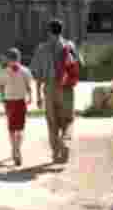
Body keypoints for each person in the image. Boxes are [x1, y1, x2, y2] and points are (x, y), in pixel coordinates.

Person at [30, 19, 84, 163]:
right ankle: (65, 142)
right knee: (68, 119)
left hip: (49, 88)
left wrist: (39, 96)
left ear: (49, 31)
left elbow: (37, 74)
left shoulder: (41, 49)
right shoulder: (69, 45)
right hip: (66, 88)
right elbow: (80, 64)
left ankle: (55, 152)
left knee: (51, 121)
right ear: (61, 30)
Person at [0, 48, 33, 166]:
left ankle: (14, 148)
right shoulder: (25, 71)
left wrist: (2, 98)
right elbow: (28, 86)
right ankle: (17, 148)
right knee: (20, 128)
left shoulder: (3, 71)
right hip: (20, 102)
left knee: (12, 128)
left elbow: (1, 87)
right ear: (19, 58)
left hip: (9, 102)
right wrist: (30, 97)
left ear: (8, 59)